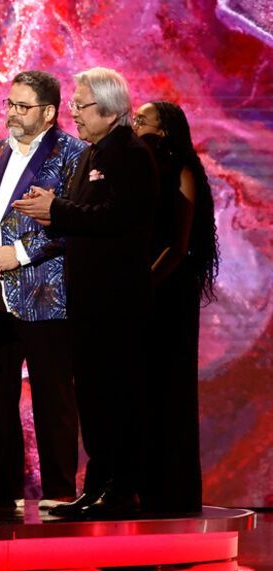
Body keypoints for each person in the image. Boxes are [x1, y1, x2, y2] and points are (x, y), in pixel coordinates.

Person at [13, 67, 158, 519]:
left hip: (117, 299)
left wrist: (56, 209)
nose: (74, 113)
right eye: (74, 104)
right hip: (88, 297)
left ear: (110, 109)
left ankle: (120, 488)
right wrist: (54, 207)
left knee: (115, 394)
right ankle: (97, 485)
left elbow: (118, 217)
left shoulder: (130, 154)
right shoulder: (93, 154)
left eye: (81, 105)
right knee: (92, 395)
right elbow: (84, 213)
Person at [0, 71, 84, 510]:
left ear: (48, 112)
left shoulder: (73, 155)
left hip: (45, 293)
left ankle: (60, 489)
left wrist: (21, 253)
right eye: (9, 104)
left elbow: (77, 224)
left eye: (22, 106)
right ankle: (4, 484)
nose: (12, 113)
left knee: (53, 394)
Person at [133, 100, 218, 515]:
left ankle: (174, 492)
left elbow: (179, 244)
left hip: (169, 291)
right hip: (146, 288)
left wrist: (145, 283)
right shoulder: (144, 168)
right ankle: (146, 486)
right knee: (145, 389)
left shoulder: (183, 169)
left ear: (164, 129)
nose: (136, 123)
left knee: (171, 388)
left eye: (143, 119)